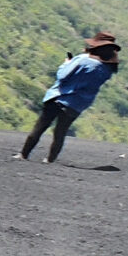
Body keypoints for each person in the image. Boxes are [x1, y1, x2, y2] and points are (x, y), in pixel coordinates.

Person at [18, 32, 121, 163]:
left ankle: (24, 155)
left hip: (59, 97)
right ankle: (50, 159)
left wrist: (66, 63)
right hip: (77, 104)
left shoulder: (83, 60)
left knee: (40, 127)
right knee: (60, 133)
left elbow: (62, 75)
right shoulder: (107, 70)